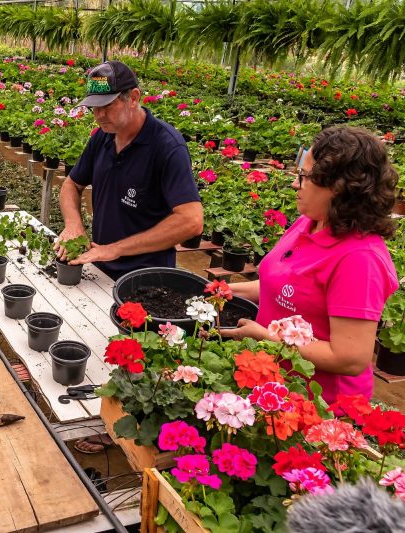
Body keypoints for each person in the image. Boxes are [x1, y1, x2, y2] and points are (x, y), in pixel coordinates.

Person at [221, 127, 399, 405]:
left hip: (320, 406)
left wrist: (268, 338)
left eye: (304, 177)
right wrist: (227, 290)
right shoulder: (311, 222)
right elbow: (283, 285)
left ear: (339, 187)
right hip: (275, 383)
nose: (295, 184)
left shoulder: (359, 259)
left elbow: (350, 357)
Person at [56, 60, 203, 281]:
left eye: (107, 106)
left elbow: (192, 221)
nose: (99, 115)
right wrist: (74, 225)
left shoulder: (166, 146)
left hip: (147, 279)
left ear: (133, 98)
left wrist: (116, 249)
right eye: (94, 107)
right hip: (101, 270)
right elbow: (71, 185)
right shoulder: (102, 137)